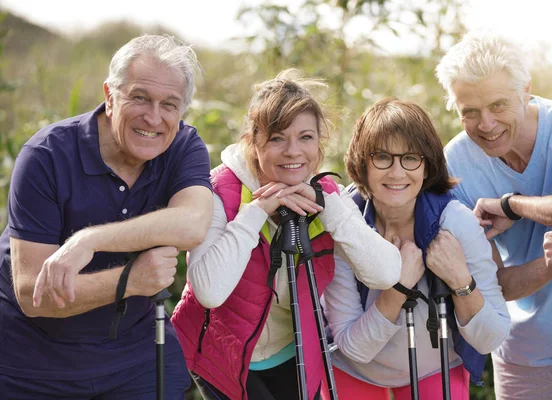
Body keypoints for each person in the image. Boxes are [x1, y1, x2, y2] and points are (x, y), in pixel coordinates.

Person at [0, 34, 213, 399]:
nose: (154, 117)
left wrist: (89, 240)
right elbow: (34, 297)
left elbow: (192, 223)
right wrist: (130, 280)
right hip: (29, 361)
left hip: (132, 353)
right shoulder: (46, 156)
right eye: (140, 97)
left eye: (170, 104)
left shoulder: (182, 146)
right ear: (110, 97)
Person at [171, 69, 403, 400]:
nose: (294, 151)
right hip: (219, 350)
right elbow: (208, 291)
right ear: (252, 141)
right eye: (278, 138)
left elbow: (386, 273)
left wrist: (331, 210)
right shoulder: (219, 191)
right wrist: (257, 212)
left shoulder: (327, 195)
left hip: (291, 350)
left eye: (306, 137)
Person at [438, 31, 552, 400]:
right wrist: (548, 263)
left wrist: (513, 204)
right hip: (523, 353)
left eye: (498, 105)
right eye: (470, 112)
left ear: (525, 90)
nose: (487, 125)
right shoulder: (456, 164)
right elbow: (496, 283)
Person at [323, 98, 510, 400]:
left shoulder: (456, 223)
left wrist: (460, 279)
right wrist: (398, 288)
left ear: (427, 165)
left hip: (435, 369)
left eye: (410, 158)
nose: (397, 172)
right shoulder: (346, 224)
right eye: (382, 157)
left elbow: (491, 338)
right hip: (355, 371)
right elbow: (354, 348)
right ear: (362, 163)